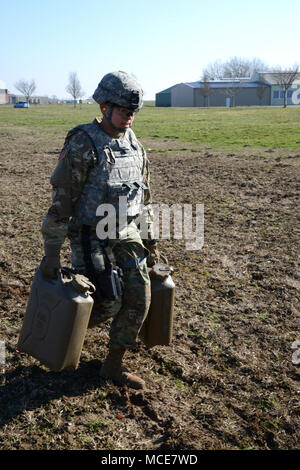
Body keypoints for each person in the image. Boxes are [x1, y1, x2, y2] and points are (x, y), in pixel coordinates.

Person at [39, 71, 159, 389]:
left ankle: (113, 365)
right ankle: (56, 328)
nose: (129, 117)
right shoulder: (83, 141)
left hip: (126, 231)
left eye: (133, 112)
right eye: (123, 110)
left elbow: (143, 198)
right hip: (90, 234)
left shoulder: (135, 145)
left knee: (139, 297)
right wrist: (52, 252)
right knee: (105, 301)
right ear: (105, 106)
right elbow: (62, 200)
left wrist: (151, 242)